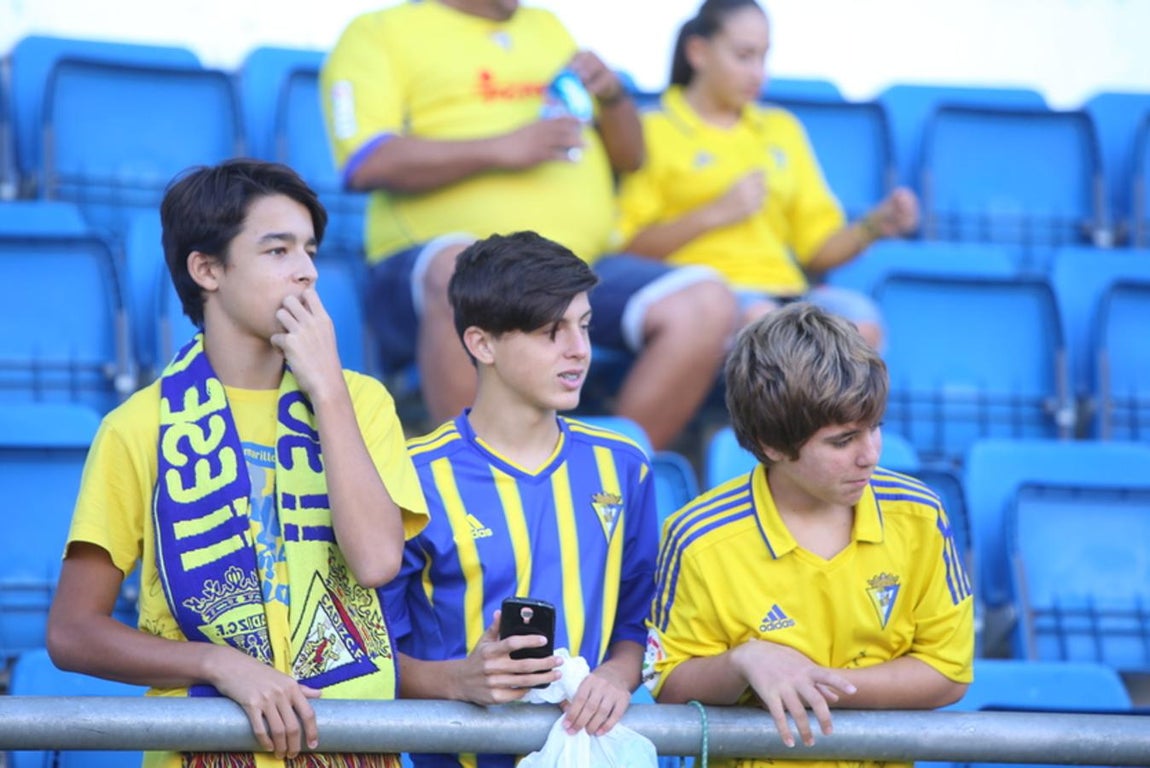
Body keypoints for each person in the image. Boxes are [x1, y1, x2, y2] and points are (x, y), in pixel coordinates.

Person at [46, 159, 429, 768]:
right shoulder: (136, 427)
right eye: (277, 251)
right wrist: (217, 663)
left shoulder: (360, 401)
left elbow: (378, 561)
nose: (305, 271)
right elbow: (72, 632)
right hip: (206, 750)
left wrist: (327, 389)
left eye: (309, 250)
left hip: (351, 747)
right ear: (207, 270)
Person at [321, 0, 736, 450]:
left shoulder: (548, 28)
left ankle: (603, 476)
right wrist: (501, 148)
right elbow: (365, 162)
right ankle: (471, 484)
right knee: (459, 268)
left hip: (570, 268)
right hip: (432, 265)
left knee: (705, 302)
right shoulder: (378, 31)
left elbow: (631, 158)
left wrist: (613, 97)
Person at [644, 302, 974, 766]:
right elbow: (669, 684)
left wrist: (811, 684)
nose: (870, 455)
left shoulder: (921, 515)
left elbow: (949, 672)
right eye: (843, 441)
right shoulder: (698, 537)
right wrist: (745, 662)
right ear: (771, 445)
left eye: (875, 427)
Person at [382, 231, 659, 768]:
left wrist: (614, 676)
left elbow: (638, 625)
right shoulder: (414, 476)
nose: (579, 350)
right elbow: (372, 655)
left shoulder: (624, 467)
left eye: (583, 326)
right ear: (482, 344)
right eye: (550, 332)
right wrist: (459, 679)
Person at [615, 0, 918, 349]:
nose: (759, 74)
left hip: (786, 292)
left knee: (862, 325)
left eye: (763, 57)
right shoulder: (653, 129)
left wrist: (874, 226)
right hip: (705, 296)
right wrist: (716, 212)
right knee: (765, 326)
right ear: (698, 52)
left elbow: (816, 249)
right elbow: (628, 248)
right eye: (744, 56)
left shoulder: (782, 129)